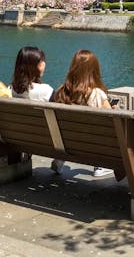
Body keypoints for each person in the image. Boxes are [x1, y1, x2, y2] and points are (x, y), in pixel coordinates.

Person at [53, 49, 115, 177]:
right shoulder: (97, 94)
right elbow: (112, 122)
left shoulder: (61, 92)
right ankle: (99, 165)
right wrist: (115, 109)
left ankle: (60, 158)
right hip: (91, 145)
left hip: (66, 142)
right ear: (94, 70)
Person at [9, 46, 62, 173]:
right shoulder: (45, 90)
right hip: (45, 140)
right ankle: (60, 160)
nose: (44, 64)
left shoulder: (11, 89)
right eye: (41, 62)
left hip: (17, 136)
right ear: (34, 66)